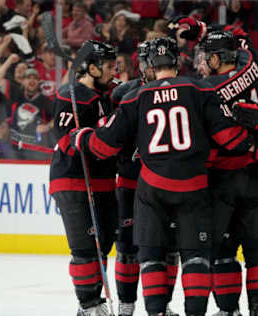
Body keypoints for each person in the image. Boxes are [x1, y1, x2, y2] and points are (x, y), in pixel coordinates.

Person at [71, 36, 258, 316]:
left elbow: (104, 146)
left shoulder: (135, 96)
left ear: (151, 66)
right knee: (195, 257)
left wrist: (81, 138)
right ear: (177, 62)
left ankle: (156, 312)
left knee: (153, 256)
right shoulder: (199, 89)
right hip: (194, 186)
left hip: (152, 188)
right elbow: (227, 136)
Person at [198, 29, 258, 316]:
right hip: (257, 176)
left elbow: (205, 141)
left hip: (222, 181)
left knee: (223, 251)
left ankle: (228, 310)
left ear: (214, 58)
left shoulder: (205, 90)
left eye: (204, 57)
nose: (200, 62)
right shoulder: (253, 78)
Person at [48, 40, 118, 316]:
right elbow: (64, 141)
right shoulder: (71, 95)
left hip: (103, 181)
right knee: (85, 247)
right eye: (110, 67)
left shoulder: (109, 95)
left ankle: (94, 301)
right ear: (91, 68)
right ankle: (88, 305)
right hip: (73, 181)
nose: (115, 71)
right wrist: (80, 138)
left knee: (104, 243)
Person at [110, 41, 179, 316]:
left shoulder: (181, 90)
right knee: (127, 248)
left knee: (169, 248)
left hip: (164, 183)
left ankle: (164, 305)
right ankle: (127, 306)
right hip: (130, 182)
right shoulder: (124, 94)